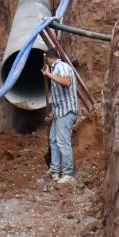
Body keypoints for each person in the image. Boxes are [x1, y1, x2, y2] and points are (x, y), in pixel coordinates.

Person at [40, 47, 78, 182]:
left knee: (63, 142)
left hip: (66, 113)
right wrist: (52, 113)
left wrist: (48, 75)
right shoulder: (56, 70)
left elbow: (66, 82)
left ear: (48, 60)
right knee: (54, 141)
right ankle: (55, 170)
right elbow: (60, 97)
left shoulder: (61, 66)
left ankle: (67, 174)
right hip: (59, 113)